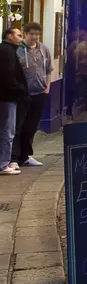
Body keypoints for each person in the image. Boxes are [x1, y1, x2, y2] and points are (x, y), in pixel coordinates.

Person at [13, 23, 52, 167]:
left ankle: (26, 155)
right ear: (25, 34)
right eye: (32, 34)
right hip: (22, 94)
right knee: (18, 126)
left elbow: (48, 69)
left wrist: (47, 87)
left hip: (40, 93)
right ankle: (14, 158)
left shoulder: (43, 49)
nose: (35, 37)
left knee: (32, 126)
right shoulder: (18, 50)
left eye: (37, 34)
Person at [0, 28, 26, 175]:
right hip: (8, 97)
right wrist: (20, 89)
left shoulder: (6, 50)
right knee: (7, 131)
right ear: (9, 36)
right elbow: (8, 76)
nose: (21, 39)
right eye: (19, 35)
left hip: (6, 96)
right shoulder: (7, 52)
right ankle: (3, 164)